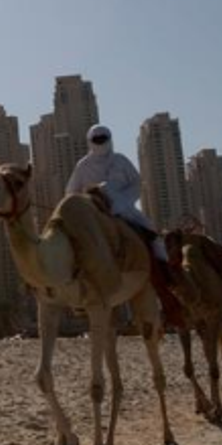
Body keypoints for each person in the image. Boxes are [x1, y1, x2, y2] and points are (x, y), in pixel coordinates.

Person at [67, 125, 185, 327]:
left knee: (150, 233)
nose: (100, 142)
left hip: (123, 209)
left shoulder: (120, 161)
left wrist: (121, 201)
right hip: (93, 212)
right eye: (96, 139)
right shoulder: (83, 165)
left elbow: (137, 184)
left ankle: (166, 275)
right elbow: (70, 192)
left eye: (103, 138)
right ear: (90, 141)